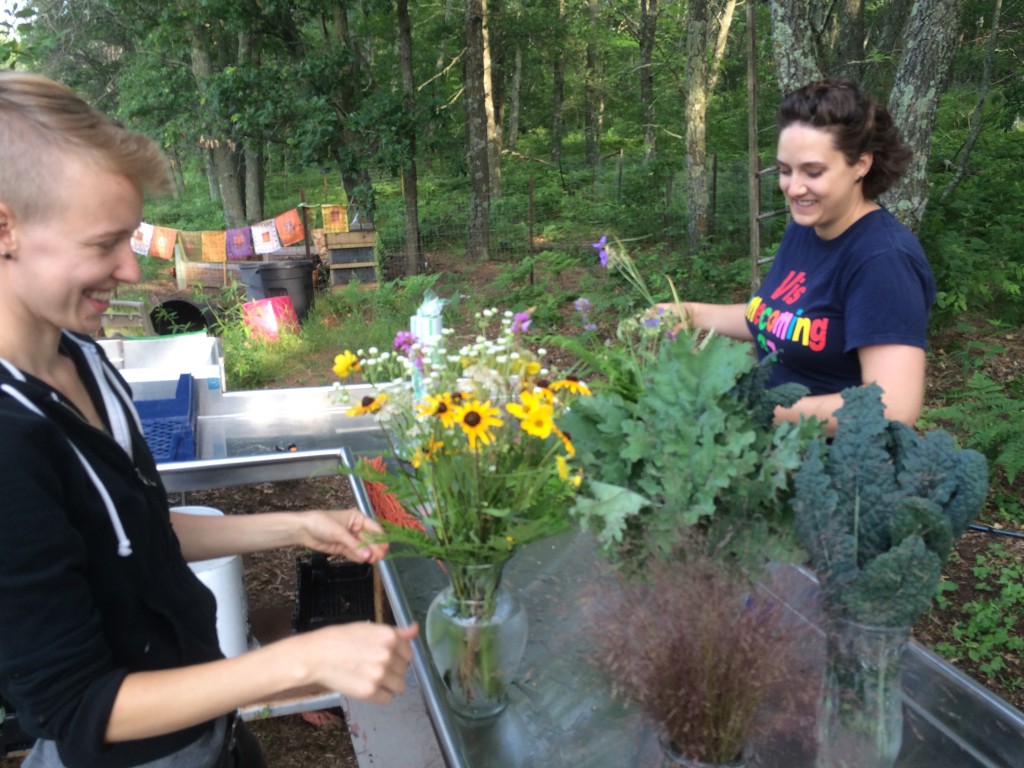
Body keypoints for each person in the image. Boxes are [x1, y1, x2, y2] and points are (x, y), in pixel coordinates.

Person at [0, 72, 417, 768]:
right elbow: (76, 708)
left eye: (131, 240)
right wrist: (298, 661)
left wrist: (293, 526)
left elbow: (131, 535)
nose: (131, 271)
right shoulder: (8, 441)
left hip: (211, 738)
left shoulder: (85, 358)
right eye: (104, 243)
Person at [662, 78, 936, 434]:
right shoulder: (806, 229)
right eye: (785, 170)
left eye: (813, 171)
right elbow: (777, 321)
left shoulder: (883, 260)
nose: (793, 188)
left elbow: (892, 408)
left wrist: (750, 407)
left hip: (837, 471)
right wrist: (690, 313)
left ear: (861, 164)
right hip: (773, 452)